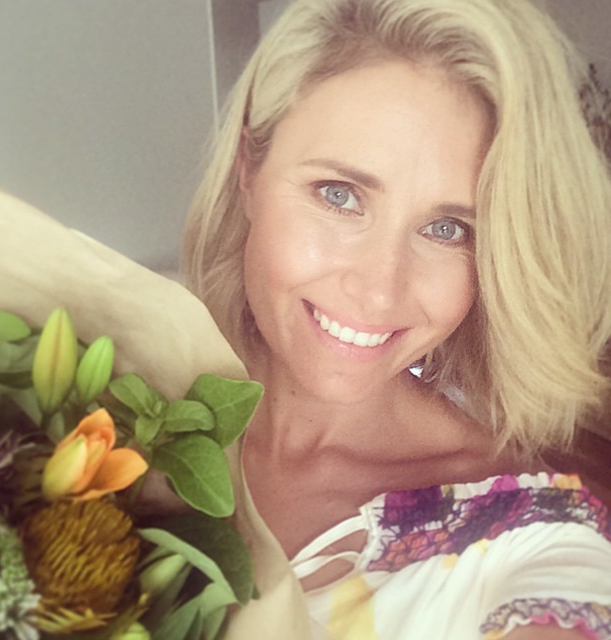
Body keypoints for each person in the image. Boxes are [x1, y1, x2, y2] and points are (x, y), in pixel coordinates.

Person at [183, 0, 611, 638]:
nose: (380, 293)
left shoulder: (526, 537)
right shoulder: (101, 404)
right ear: (249, 169)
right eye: (339, 195)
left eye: (447, 229)